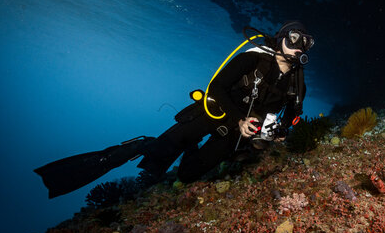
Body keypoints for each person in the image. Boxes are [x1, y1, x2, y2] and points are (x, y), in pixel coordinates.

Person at [34, 21, 314, 198]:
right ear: (279, 40)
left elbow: (290, 115)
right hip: (214, 112)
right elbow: (216, 87)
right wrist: (240, 118)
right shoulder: (252, 59)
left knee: (187, 176)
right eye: (292, 39)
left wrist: (281, 132)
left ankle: (188, 150)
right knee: (159, 154)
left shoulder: (297, 84)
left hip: (237, 134)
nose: (296, 48)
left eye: (304, 43)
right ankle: (138, 146)